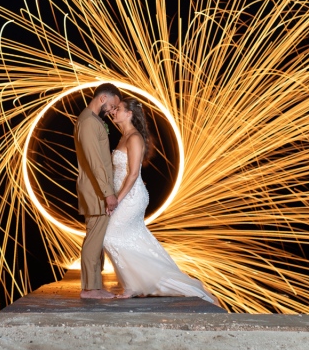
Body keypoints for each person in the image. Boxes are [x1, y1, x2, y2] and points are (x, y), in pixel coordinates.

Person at [104, 97, 218, 304]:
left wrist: (117, 199)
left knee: (110, 238)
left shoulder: (134, 138)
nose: (114, 112)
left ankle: (139, 285)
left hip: (130, 197)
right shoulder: (124, 136)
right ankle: (135, 286)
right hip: (125, 194)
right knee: (134, 238)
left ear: (129, 114)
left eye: (118, 109)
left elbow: (132, 174)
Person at [74, 83, 122, 299]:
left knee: (96, 236)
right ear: (102, 99)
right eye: (112, 106)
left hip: (97, 188)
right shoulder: (89, 123)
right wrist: (107, 192)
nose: (113, 111)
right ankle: (90, 289)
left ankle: (94, 285)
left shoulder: (91, 120)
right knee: (94, 238)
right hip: (96, 189)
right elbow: (95, 162)